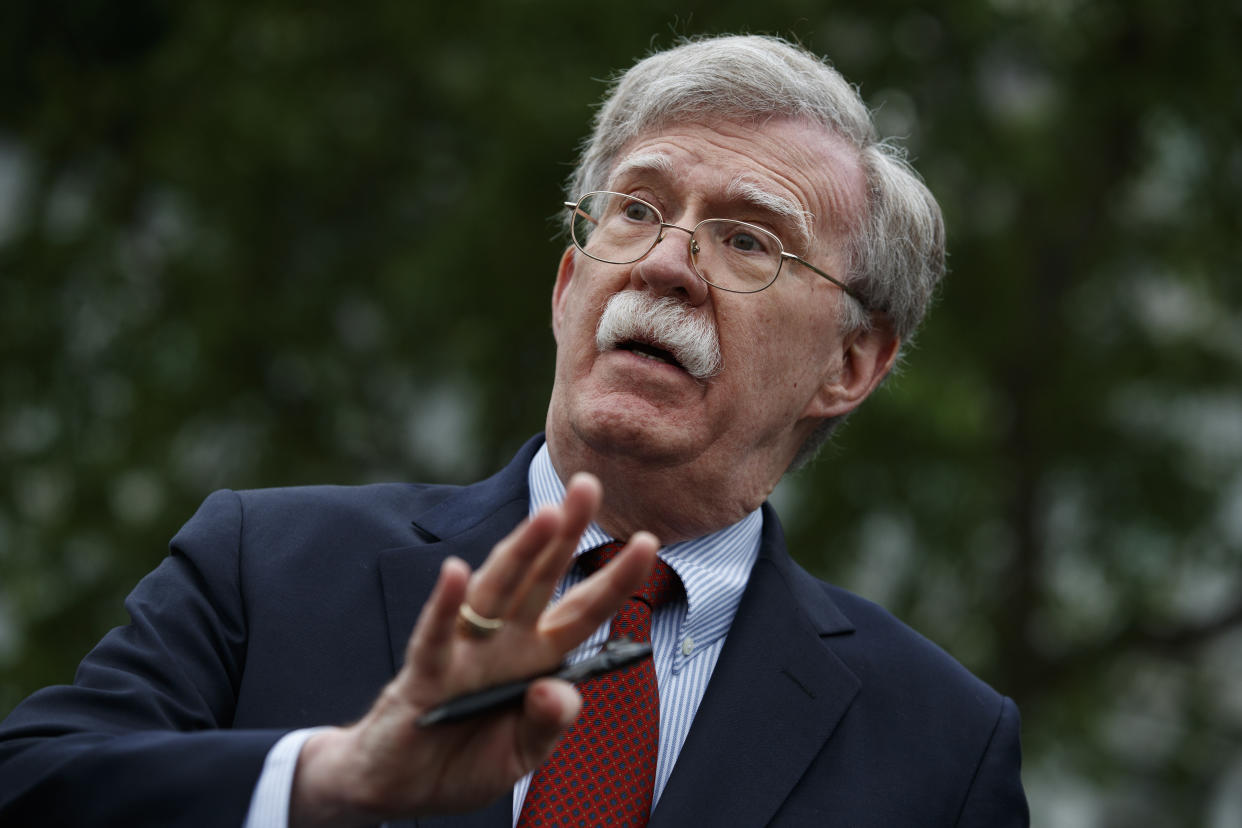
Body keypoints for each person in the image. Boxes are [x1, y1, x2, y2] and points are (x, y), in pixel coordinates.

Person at [0, 34, 1029, 827]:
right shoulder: (263, 566)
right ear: (569, 282)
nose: (665, 264)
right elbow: (32, 782)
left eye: (747, 239)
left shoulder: (943, 744)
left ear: (851, 363)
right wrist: (336, 780)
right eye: (634, 211)